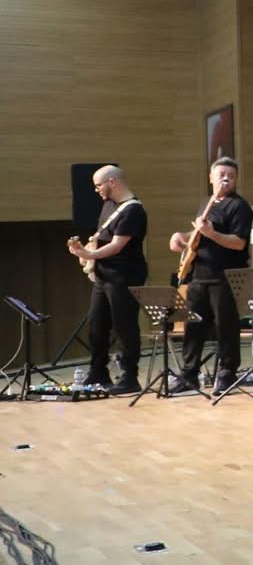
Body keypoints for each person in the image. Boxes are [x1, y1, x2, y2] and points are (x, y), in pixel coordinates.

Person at [166, 157, 252, 397]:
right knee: (193, 326)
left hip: (225, 276)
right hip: (199, 275)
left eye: (231, 176)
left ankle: (227, 373)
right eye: (221, 174)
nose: (226, 179)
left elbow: (239, 242)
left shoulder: (240, 207)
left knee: (226, 327)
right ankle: (189, 373)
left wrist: (212, 234)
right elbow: (199, 234)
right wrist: (181, 236)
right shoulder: (207, 203)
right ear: (211, 177)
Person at [68, 164, 148, 394]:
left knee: (124, 325)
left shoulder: (133, 211)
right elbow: (102, 238)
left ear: (112, 182)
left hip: (124, 276)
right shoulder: (109, 205)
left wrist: (89, 255)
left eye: (98, 185)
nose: (96, 190)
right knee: (97, 324)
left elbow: (117, 245)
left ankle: (129, 376)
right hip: (104, 276)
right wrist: (84, 251)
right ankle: (98, 372)